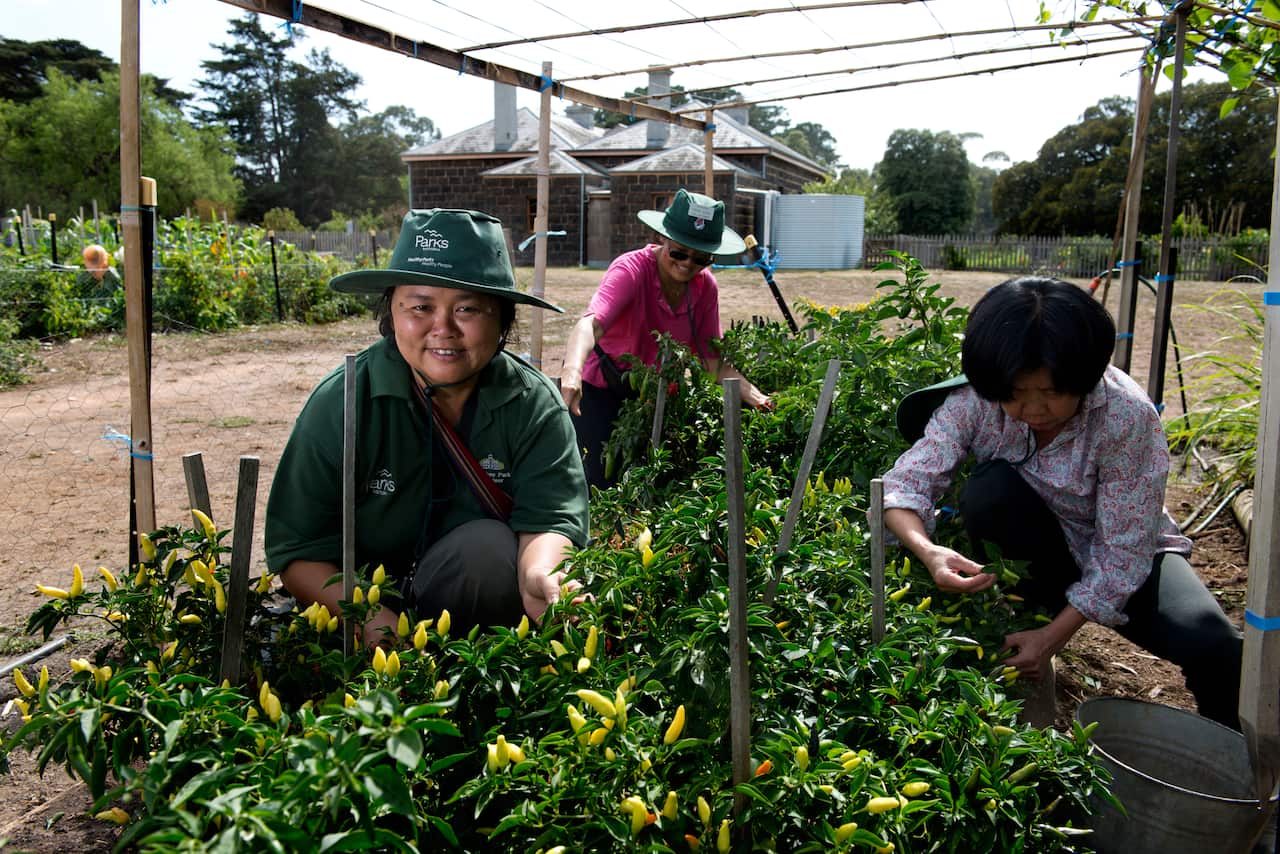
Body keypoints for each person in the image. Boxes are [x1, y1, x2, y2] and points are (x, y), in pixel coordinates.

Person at [882, 275, 1243, 729]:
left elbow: (1123, 552)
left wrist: (1051, 639)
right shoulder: (975, 400)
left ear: (1084, 377)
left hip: (1122, 552)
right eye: (1014, 394)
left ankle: (1230, 766)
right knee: (990, 491)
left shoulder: (1125, 415)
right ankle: (1029, 605)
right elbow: (905, 485)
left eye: (1051, 392)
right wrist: (928, 551)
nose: (1033, 409)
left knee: (1218, 648)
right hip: (1040, 546)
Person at [265, 208, 590, 648]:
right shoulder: (343, 400)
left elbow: (549, 521)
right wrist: (368, 616)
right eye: (420, 306)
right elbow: (299, 549)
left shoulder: (532, 405)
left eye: (468, 308)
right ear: (392, 312)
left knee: (488, 551)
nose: (443, 329)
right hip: (363, 609)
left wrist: (540, 575)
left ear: (503, 320)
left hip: (480, 614)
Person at [559, 188, 773, 489]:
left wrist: (757, 397)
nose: (688, 263)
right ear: (663, 239)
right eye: (679, 252)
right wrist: (572, 370)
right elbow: (590, 325)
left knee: (656, 484)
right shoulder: (631, 270)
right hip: (601, 392)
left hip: (656, 399)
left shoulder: (705, 288)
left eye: (701, 258)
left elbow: (712, 362)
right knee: (598, 481)